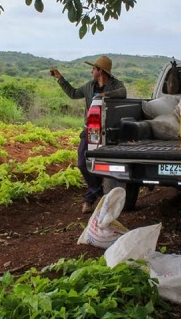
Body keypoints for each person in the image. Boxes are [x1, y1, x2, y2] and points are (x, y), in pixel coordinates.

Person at [50, 56, 127, 214]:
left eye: (93, 69)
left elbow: (122, 92)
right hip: (90, 130)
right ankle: (97, 191)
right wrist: (60, 78)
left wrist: (103, 96)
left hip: (109, 130)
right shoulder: (89, 86)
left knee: (103, 163)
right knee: (82, 163)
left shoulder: (115, 85)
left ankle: (91, 198)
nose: (91, 71)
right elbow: (73, 93)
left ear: (100, 71)